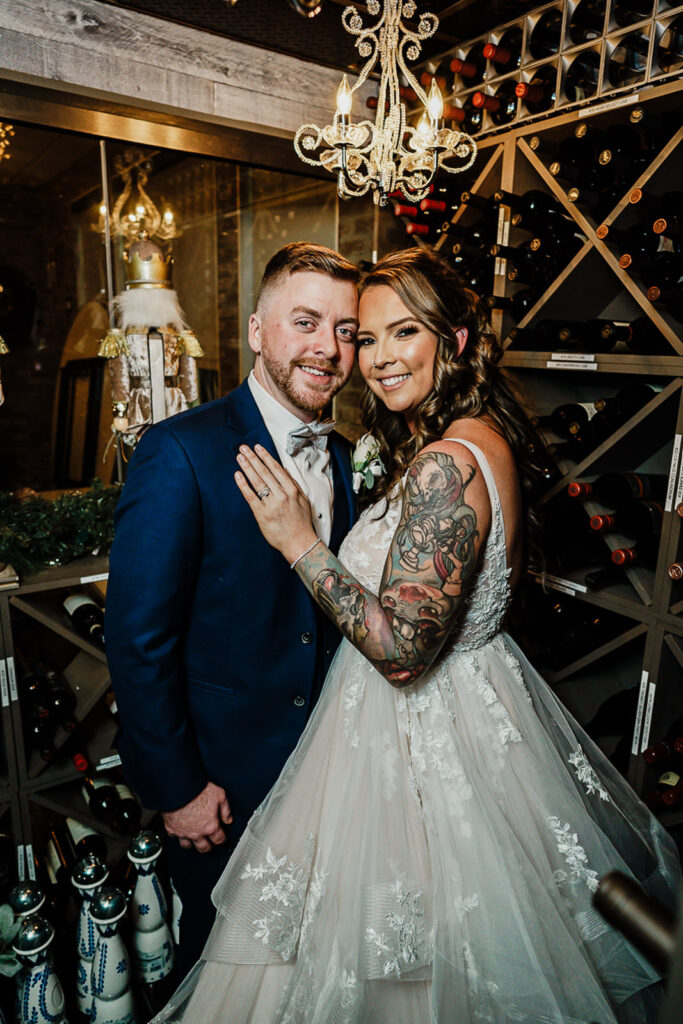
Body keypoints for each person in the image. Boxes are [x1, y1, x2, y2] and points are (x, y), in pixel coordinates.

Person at [152, 249, 680, 1023]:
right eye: (365, 339)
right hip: (452, 722)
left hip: (420, 747)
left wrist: (298, 539)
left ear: (455, 340)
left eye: (404, 332)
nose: (376, 358)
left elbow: (402, 657)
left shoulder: (445, 463)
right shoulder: (473, 437)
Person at [104, 241, 360, 972]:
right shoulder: (179, 451)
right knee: (224, 968)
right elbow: (137, 638)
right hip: (224, 790)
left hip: (332, 776)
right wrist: (177, 787)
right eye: (305, 322)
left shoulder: (344, 455)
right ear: (256, 331)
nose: (327, 348)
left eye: (345, 330)